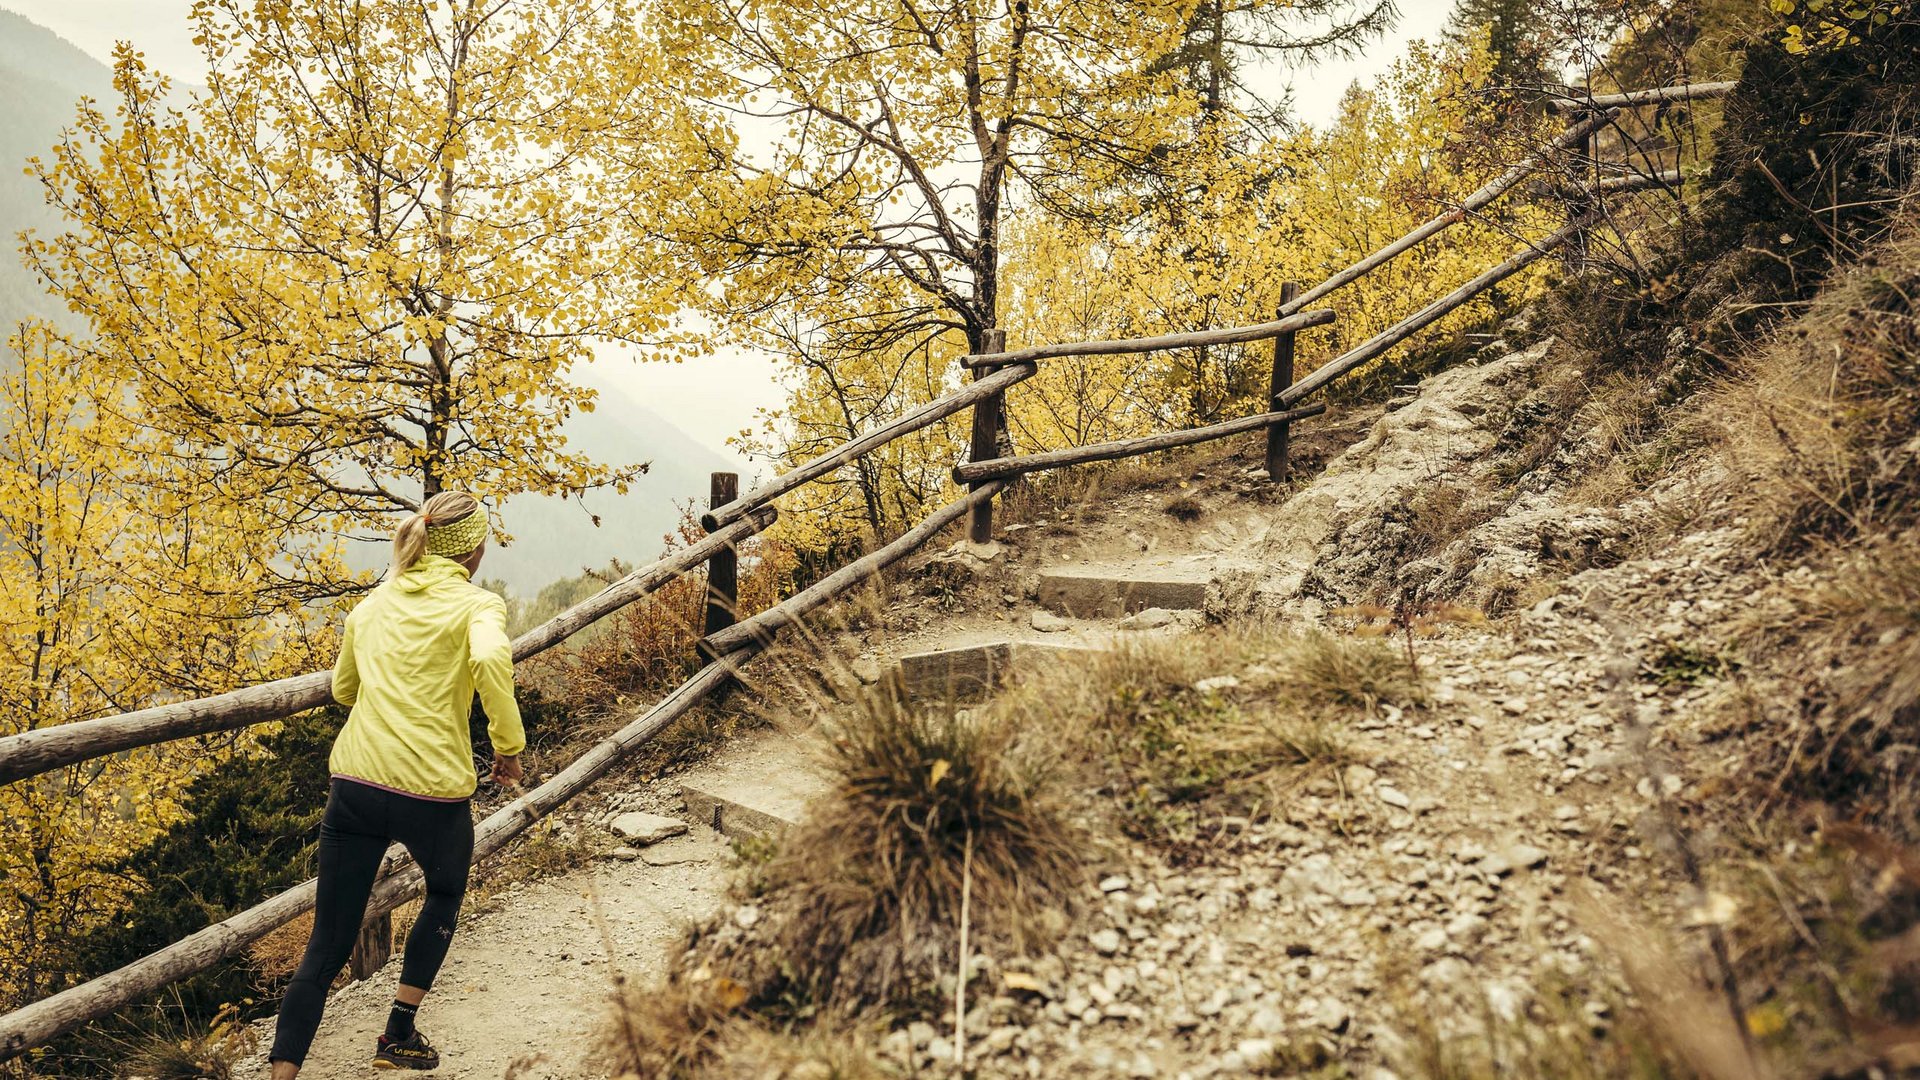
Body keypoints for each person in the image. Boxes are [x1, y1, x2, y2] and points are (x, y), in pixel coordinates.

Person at [269, 491, 525, 1075]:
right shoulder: (478, 606)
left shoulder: (371, 606)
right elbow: (489, 661)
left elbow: (343, 690)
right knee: (443, 890)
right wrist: (508, 748)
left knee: (325, 946)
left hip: (355, 783)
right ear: (475, 552)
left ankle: (281, 1073)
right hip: (430, 792)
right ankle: (397, 1032)